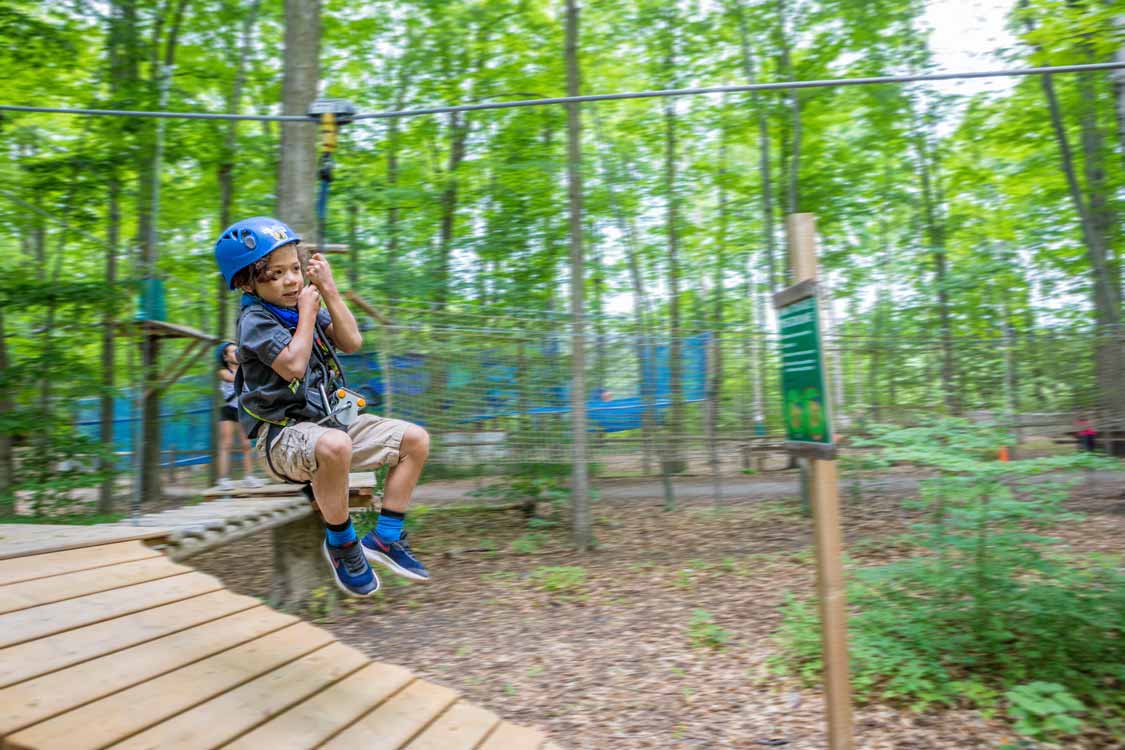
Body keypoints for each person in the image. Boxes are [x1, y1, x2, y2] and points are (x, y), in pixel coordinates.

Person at [215, 216, 430, 597]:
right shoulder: (255, 320)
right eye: (275, 274)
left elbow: (351, 341)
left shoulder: (301, 305)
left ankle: (386, 538)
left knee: (415, 440)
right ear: (248, 283)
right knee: (335, 445)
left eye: (295, 269)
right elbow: (293, 365)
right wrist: (309, 314)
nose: (291, 280)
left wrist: (329, 291)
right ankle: (343, 544)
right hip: (281, 438)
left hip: (328, 421)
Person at [215, 341, 265, 490]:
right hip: (228, 410)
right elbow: (235, 379)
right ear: (225, 357)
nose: (235, 353)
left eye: (237, 350)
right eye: (232, 351)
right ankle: (223, 480)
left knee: (246, 444)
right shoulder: (223, 372)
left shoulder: (245, 369)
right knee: (226, 444)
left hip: (242, 410)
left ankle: (249, 477)